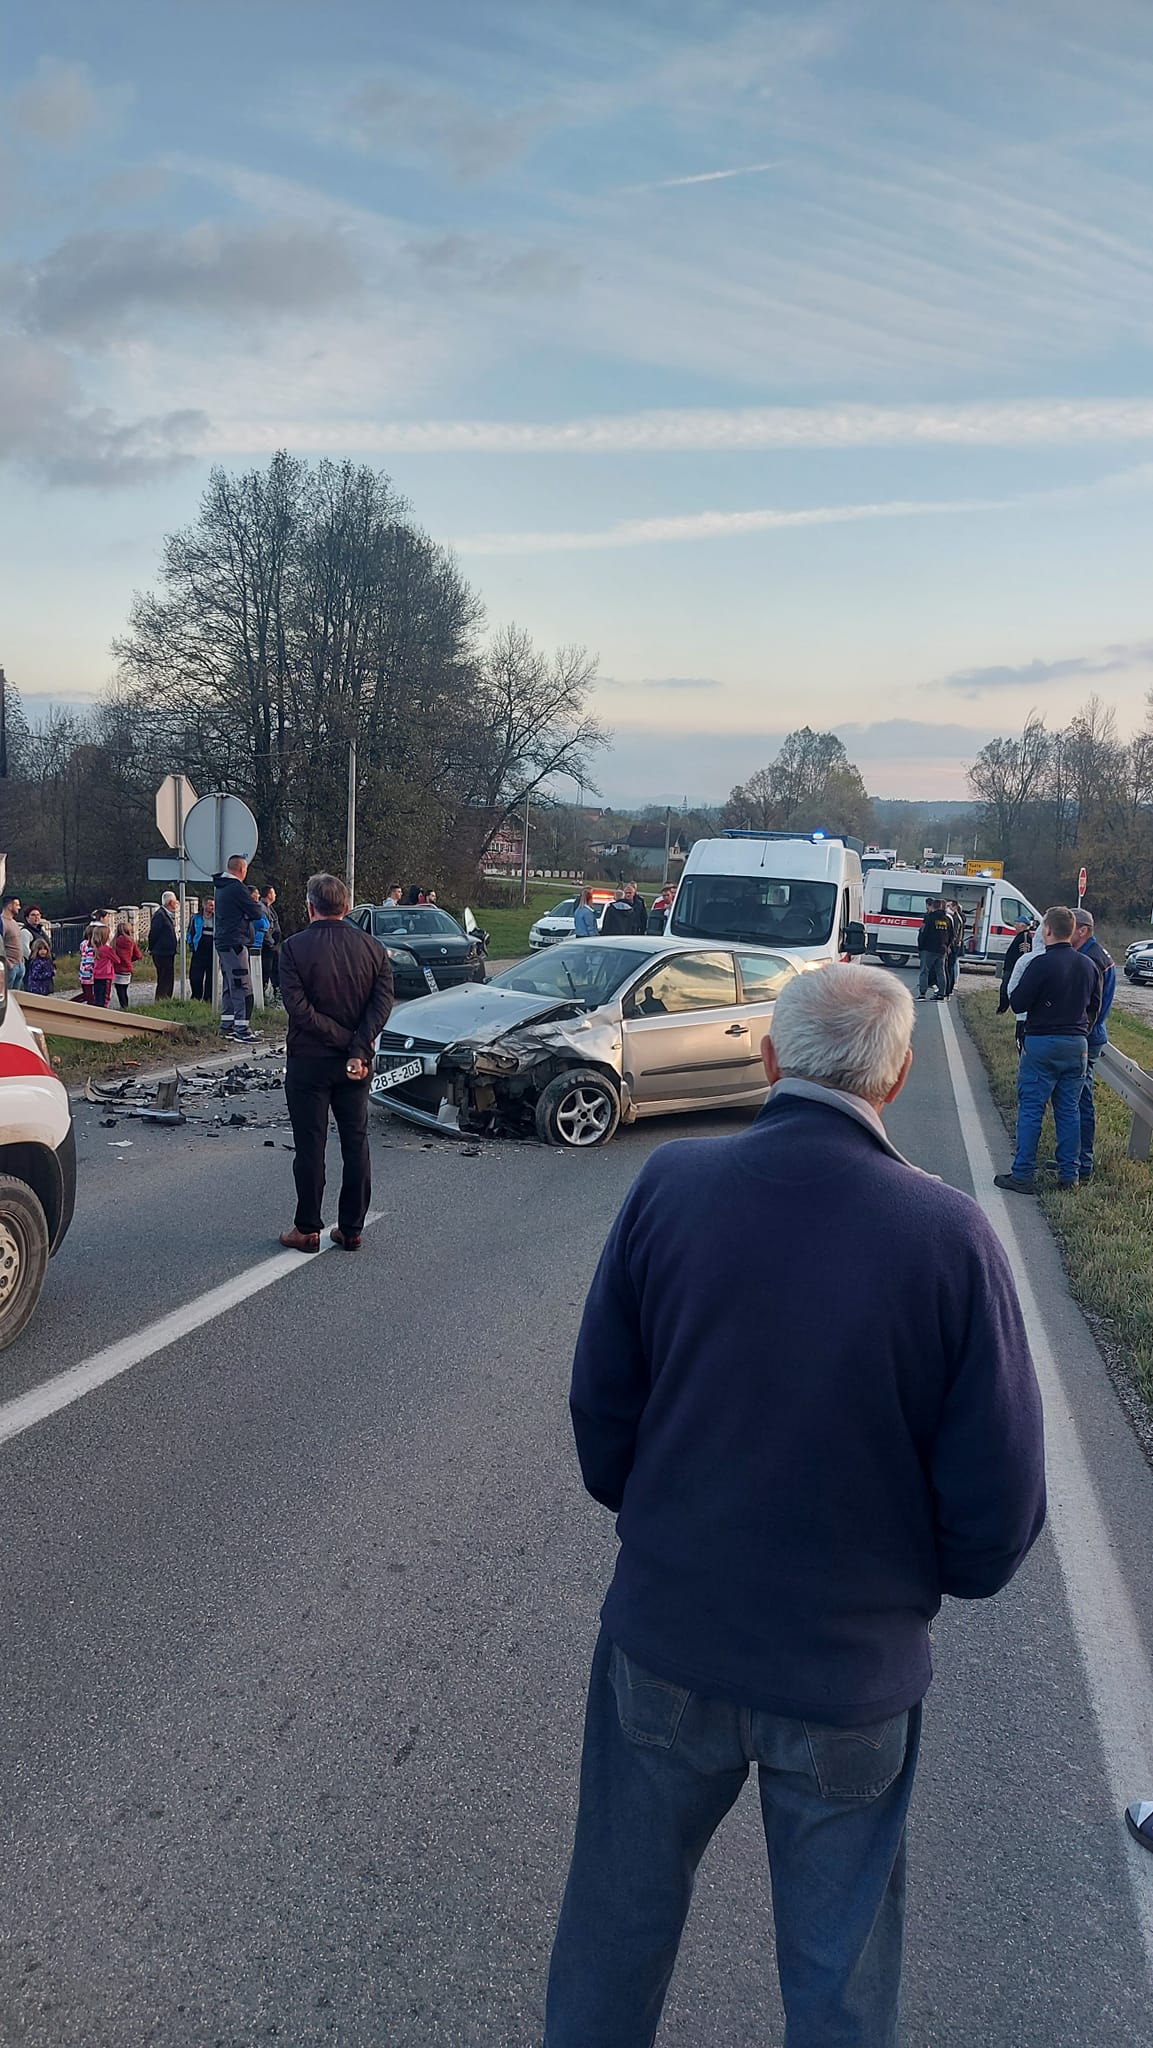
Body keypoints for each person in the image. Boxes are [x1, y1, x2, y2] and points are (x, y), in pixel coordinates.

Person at [544, 966, 1045, 2048]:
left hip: (667, 1643)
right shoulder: (952, 1240)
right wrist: (902, 1587)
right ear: (898, 1075)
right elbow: (996, 1517)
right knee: (840, 1981)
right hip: (848, 1676)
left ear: (770, 1058)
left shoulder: (667, 1187)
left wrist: (674, 1527)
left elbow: (601, 1416)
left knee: (614, 1932)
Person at [278, 872, 394, 1254]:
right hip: (355, 1064)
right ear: (346, 907)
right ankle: (351, 1228)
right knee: (355, 1142)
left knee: (310, 1145)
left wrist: (345, 1042)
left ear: (310, 907)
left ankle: (307, 1228)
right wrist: (357, 1047)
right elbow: (382, 1007)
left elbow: (298, 1010)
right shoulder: (374, 949)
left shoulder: (293, 949)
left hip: (309, 1062)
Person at [994, 905, 1100, 1195]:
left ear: (1048, 930)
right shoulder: (1088, 965)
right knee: (1068, 1111)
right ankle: (1070, 1174)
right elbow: (1095, 1007)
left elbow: (1018, 1003)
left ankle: (1023, 1174)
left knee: (1031, 1108)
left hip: (1042, 1041)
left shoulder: (1039, 964)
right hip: (1077, 1044)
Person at [1070, 910, 1115, 1184]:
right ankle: (1075, 1158)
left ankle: (1082, 1163)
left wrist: (1078, 1034)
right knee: (1076, 1099)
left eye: (1071, 928)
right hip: (1092, 1034)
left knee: (1081, 1101)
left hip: (1087, 1036)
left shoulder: (1090, 958)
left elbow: (1092, 1006)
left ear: (1083, 930)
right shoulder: (1097, 953)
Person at [212, 855, 258, 1045]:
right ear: (242, 869)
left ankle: (227, 1025)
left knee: (230, 984)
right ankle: (242, 1028)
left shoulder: (220, 886)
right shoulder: (237, 888)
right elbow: (256, 912)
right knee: (241, 984)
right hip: (235, 941)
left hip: (223, 940)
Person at [915, 895, 951, 1000]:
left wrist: (920, 946)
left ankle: (922, 993)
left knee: (924, 971)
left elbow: (923, 933)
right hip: (942, 949)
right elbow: (951, 934)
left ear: (933, 907)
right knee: (940, 971)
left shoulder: (929, 918)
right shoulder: (947, 919)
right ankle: (941, 993)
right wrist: (946, 945)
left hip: (928, 949)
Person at [997, 918, 1036, 1013]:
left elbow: (1025, 953)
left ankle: (1003, 1008)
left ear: (1022, 926)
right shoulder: (1020, 936)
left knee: (1005, 988)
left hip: (1013, 968)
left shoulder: (1025, 937)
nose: (1015, 926)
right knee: (1005, 987)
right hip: (1011, 967)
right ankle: (1003, 1007)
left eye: (1016, 924)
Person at [147, 892, 179, 1002]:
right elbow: (154, 933)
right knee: (164, 978)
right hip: (161, 952)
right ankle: (161, 999)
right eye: (175, 902)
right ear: (170, 903)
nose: (176, 904)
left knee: (169, 977)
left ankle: (167, 999)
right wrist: (151, 948)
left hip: (168, 952)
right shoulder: (160, 915)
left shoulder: (167, 915)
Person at [187, 897, 215, 1003]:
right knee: (195, 977)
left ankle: (208, 999)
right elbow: (190, 932)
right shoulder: (196, 918)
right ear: (204, 905)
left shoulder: (217, 918)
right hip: (199, 950)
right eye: (210, 905)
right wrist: (191, 944)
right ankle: (196, 996)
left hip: (213, 952)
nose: (212, 908)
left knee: (211, 978)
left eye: (213, 905)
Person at [248, 887, 270, 1016]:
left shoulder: (259, 908)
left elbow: (265, 924)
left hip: (259, 944)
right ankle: (254, 1001)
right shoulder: (253, 908)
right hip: (252, 944)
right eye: (255, 895)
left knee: (260, 973)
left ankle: (259, 999)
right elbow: (261, 924)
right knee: (252, 974)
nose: (258, 897)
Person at [111, 918, 142, 1010]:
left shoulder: (114, 942)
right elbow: (138, 955)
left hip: (117, 969)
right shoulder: (131, 941)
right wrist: (129, 959)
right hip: (128, 969)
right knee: (124, 989)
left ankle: (123, 1006)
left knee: (119, 990)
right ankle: (126, 1007)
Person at [260, 886, 281, 1002]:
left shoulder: (269, 907)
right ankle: (263, 996)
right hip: (267, 947)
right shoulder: (262, 908)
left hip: (273, 946)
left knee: (275, 970)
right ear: (268, 894)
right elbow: (264, 928)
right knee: (266, 970)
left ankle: (277, 992)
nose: (275, 895)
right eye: (273, 893)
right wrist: (271, 942)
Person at [941, 898, 964, 998]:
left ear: (955, 907)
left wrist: (949, 946)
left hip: (953, 946)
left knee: (949, 968)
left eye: (949, 906)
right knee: (950, 967)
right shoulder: (956, 917)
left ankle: (948, 990)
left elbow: (954, 934)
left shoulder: (955, 918)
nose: (947, 908)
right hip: (955, 945)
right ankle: (948, 989)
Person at [2, 894, 25, 992]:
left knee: (16, 996)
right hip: (10, 966)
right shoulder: (1, 922)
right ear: (9, 906)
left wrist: (22, 961)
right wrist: (7, 963)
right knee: (7, 995)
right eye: (17, 905)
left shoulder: (14, 922)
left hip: (19, 965)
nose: (19, 907)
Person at [91, 926, 117, 1009]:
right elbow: (117, 960)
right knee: (105, 996)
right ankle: (103, 1012)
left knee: (98, 996)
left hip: (96, 975)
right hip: (106, 975)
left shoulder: (95, 948)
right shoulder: (107, 949)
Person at [77, 924, 97, 1002]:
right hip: (89, 974)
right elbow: (90, 961)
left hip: (82, 972)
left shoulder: (83, 944)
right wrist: (93, 970)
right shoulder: (91, 946)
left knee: (86, 993)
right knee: (90, 996)